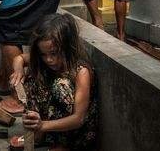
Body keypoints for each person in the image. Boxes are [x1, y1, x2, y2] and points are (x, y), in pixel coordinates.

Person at [10, 13, 97, 151]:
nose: (49, 60)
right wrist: (18, 71)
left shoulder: (81, 71)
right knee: (33, 75)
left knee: (60, 86)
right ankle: (39, 135)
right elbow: (19, 59)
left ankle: (62, 144)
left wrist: (42, 125)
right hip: (49, 123)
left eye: (54, 53)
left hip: (76, 134)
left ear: (67, 47)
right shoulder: (44, 60)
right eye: (44, 54)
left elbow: (78, 118)